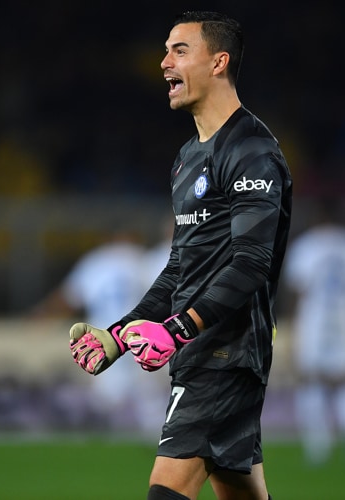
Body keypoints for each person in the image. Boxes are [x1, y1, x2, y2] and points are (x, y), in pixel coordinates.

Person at [69, 11, 292, 500]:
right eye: (165, 50)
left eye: (179, 50)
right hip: (200, 350)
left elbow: (251, 264)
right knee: (238, 488)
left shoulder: (252, 150)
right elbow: (179, 269)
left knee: (165, 490)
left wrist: (176, 329)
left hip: (226, 351)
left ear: (218, 62)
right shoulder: (188, 158)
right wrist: (118, 335)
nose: (163, 61)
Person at [31, 228, 166, 432]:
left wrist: (42, 317)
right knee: (150, 400)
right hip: (141, 335)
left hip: (106, 337)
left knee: (109, 400)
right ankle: (162, 445)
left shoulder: (96, 261)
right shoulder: (142, 260)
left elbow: (68, 298)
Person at [283, 198, 345, 465]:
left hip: (313, 325)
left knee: (311, 382)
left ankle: (318, 448)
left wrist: (291, 329)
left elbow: (297, 292)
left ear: (318, 218)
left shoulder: (306, 246)